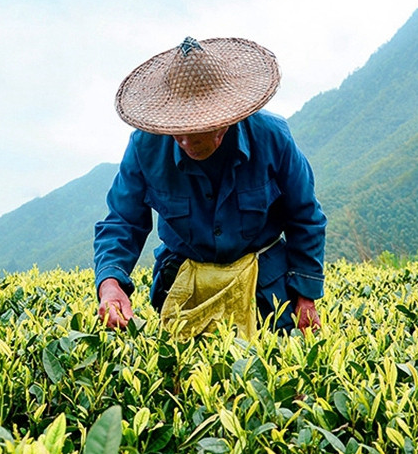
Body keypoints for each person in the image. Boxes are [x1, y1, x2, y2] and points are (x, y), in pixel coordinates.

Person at [94, 36, 326, 336]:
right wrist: (111, 283)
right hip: (185, 281)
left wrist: (305, 297)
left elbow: (305, 217)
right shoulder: (145, 146)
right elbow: (123, 221)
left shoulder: (272, 137)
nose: (187, 141)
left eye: (199, 130)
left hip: (265, 287)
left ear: (226, 119)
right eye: (178, 131)